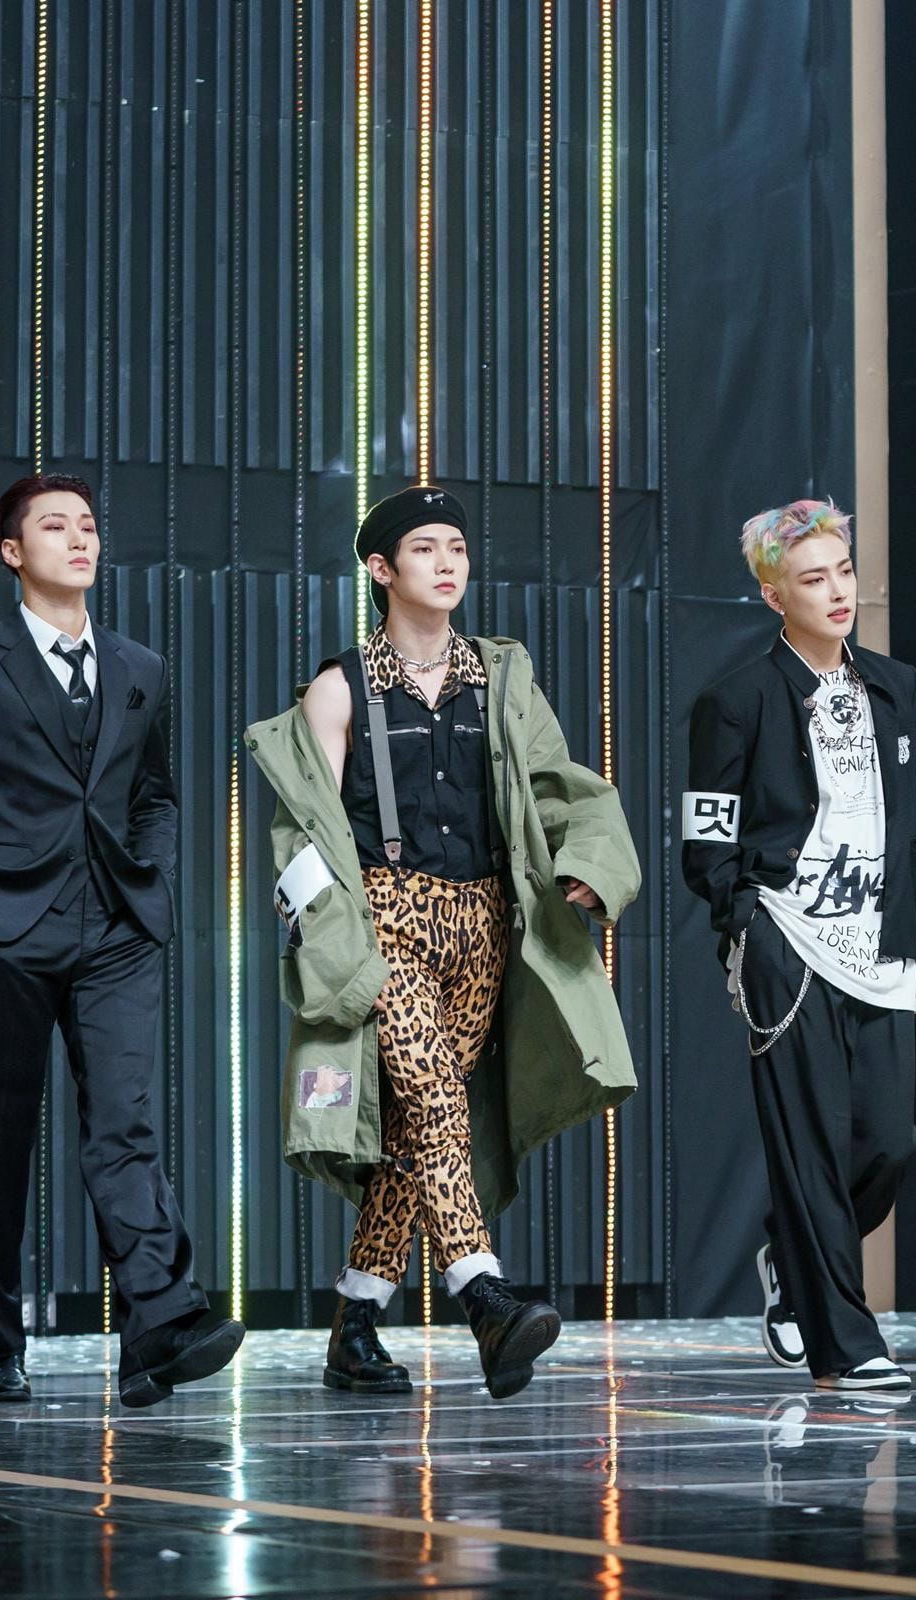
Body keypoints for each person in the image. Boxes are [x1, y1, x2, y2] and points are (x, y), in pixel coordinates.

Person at [247, 485, 639, 1401]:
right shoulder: (339, 687)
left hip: (483, 924)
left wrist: (587, 866)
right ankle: (482, 1293)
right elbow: (305, 829)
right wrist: (325, 940)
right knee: (431, 1096)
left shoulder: (501, 680)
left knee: (419, 1127)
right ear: (381, 569)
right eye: (425, 548)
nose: (447, 562)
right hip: (385, 915)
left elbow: (558, 783)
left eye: (456, 547)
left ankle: (355, 1322)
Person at [0, 473, 239, 1408]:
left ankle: (157, 1327)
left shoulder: (139, 667)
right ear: (13, 552)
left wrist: (153, 878)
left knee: (125, 1123)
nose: (80, 538)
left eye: (88, 524)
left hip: (119, 924)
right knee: (0, 1138)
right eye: (55, 526)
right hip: (10, 924)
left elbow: (156, 796)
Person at [681, 499, 916, 1393]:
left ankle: (790, 1262)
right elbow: (706, 841)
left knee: (888, 1143)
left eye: (843, 571)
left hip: (881, 944)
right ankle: (847, 1344)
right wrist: (748, 925)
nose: (839, 591)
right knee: (809, 1147)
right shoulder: (735, 702)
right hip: (789, 942)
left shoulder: (898, 685)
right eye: (813, 578)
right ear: (774, 596)